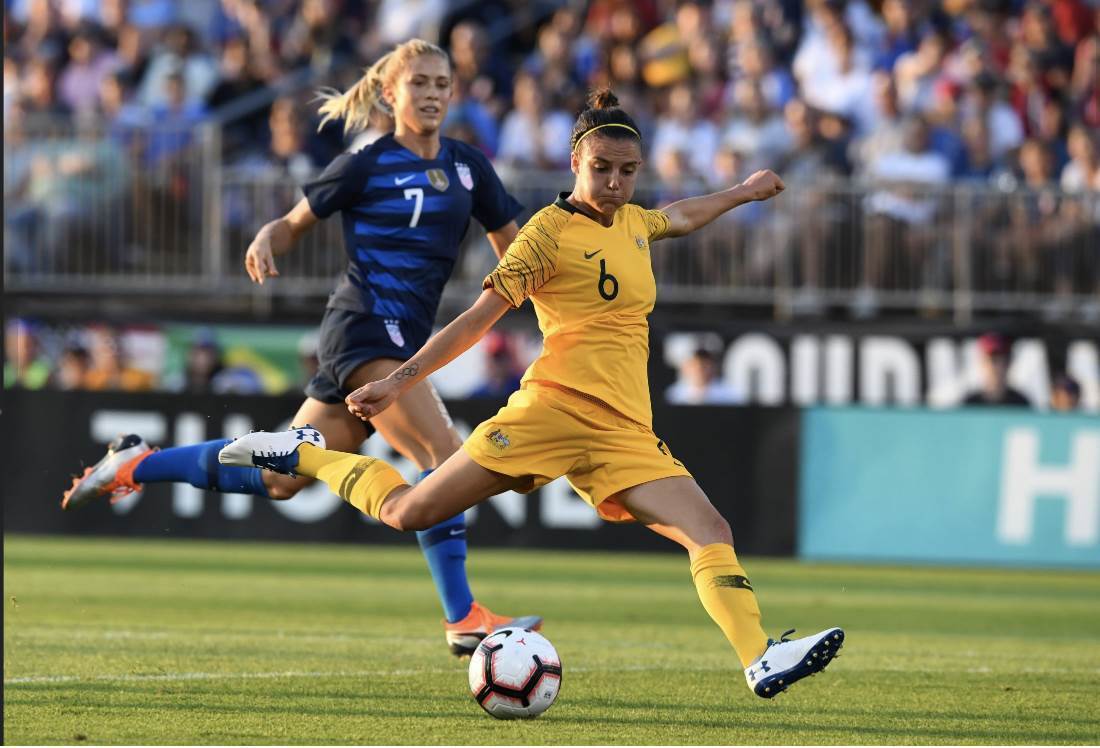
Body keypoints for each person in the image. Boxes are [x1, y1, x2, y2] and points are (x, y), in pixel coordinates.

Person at [219, 88, 844, 699]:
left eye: (628, 171)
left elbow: (678, 216)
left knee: (711, 529)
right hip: (552, 411)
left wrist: (741, 192)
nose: (615, 183)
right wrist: (396, 380)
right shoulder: (546, 233)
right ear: (576, 163)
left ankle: (758, 657)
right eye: (601, 169)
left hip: (624, 430)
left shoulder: (632, 223)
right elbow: (476, 318)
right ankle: (302, 454)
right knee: (408, 512)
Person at [60, 39, 540, 656]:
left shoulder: (471, 167)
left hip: (399, 339)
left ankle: (133, 464)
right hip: (364, 329)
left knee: (284, 478)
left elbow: (518, 251)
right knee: (445, 459)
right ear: (390, 93)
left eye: (442, 83)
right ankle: (461, 617)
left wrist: (541, 289)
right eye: (419, 82)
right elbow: (289, 223)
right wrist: (265, 241)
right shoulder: (365, 164)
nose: (432, 93)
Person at [962, 333, 1032, 407]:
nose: (996, 366)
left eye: (1002, 360)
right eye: (992, 360)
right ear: (981, 361)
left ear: (1009, 362)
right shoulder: (969, 404)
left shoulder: (1021, 404)